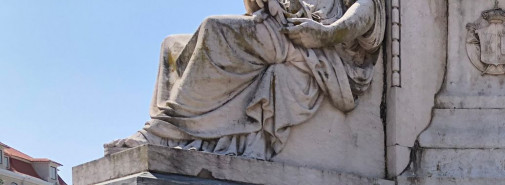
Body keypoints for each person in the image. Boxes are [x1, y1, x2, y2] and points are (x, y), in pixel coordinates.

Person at [106, 0, 385, 160]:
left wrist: (327, 33)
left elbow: (367, 8)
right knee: (172, 46)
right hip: (284, 24)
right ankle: (184, 131)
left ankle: (166, 131)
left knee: (214, 30)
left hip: (318, 45)